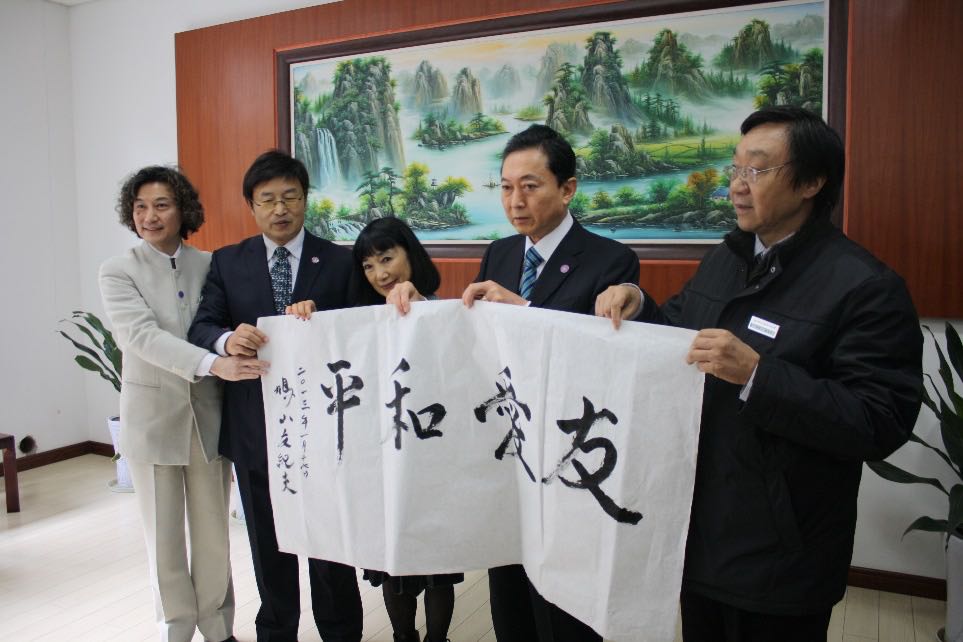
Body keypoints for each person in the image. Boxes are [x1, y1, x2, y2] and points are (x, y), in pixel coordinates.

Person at [595, 106, 924, 641]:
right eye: (734, 170)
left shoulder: (864, 286)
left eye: (757, 170)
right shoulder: (724, 259)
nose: (736, 187)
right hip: (699, 527)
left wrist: (758, 376)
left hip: (783, 552)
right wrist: (638, 303)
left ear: (812, 182)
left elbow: (879, 420)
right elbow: (680, 336)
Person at [463, 124, 639, 642]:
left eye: (531, 185)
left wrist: (527, 311)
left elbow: (603, 359)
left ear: (568, 189)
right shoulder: (498, 253)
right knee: (510, 589)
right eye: (505, 186)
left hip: (570, 450)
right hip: (510, 443)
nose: (515, 200)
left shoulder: (611, 260)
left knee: (564, 601)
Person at [187, 151, 363, 642]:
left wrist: (322, 320)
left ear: (306, 200)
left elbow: (363, 334)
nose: (280, 209)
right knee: (267, 539)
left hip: (325, 426)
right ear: (251, 205)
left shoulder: (339, 261)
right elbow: (202, 326)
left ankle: (341, 630)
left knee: (329, 540)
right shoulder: (228, 260)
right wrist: (227, 341)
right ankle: (278, 629)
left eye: (290, 197)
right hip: (255, 426)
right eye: (267, 200)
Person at [99, 166, 268, 642]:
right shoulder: (117, 270)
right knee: (164, 538)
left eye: (161, 205)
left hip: (210, 419)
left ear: (183, 210)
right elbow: (140, 338)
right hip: (153, 421)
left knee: (215, 535)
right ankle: (175, 629)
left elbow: (222, 325)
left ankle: (218, 628)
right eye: (140, 207)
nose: (150, 216)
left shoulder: (211, 264)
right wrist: (213, 364)